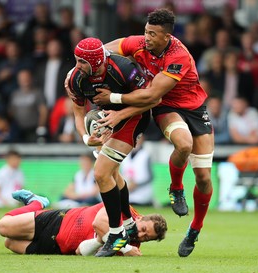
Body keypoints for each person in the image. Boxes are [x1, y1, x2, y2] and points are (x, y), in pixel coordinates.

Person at [92, 8, 214, 257]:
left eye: (153, 34)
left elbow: (150, 93)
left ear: (167, 37)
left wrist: (113, 97)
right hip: (165, 107)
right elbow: (108, 49)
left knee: (203, 178)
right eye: (146, 32)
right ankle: (176, 188)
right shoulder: (140, 43)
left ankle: (194, 229)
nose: (146, 38)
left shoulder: (178, 56)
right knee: (183, 144)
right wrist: (88, 62)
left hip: (193, 107)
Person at [66, 37, 157, 257]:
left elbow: (151, 99)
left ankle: (116, 234)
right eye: (76, 61)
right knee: (112, 173)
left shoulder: (124, 68)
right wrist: (87, 138)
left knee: (101, 172)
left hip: (134, 117)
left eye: (81, 62)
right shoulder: (75, 79)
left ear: (96, 61)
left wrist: (118, 109)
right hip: (108, 119)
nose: (77, 66)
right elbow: (78, 113)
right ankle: (128, 224)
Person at [0, 189, 167, 256]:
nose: (141, 235)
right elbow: (98, 222)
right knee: (3, 226)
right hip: (59, 222)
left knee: (9, 243)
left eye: (146, 237)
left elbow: (81, 251)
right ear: (139, 218)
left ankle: (35, 205)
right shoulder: (125, 210)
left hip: (59, 249)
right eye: (144, 229)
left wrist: (102, 240)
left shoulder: (131, 245)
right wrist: (126, 248)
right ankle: (36, 203)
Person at [121, 135, 154, 206]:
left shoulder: (146, 155)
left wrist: (136, 184)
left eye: (138, 138)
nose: (136, 141)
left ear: (143, 139)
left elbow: (150, 176)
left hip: (142, 195)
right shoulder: (125, 155)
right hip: (128, 193)